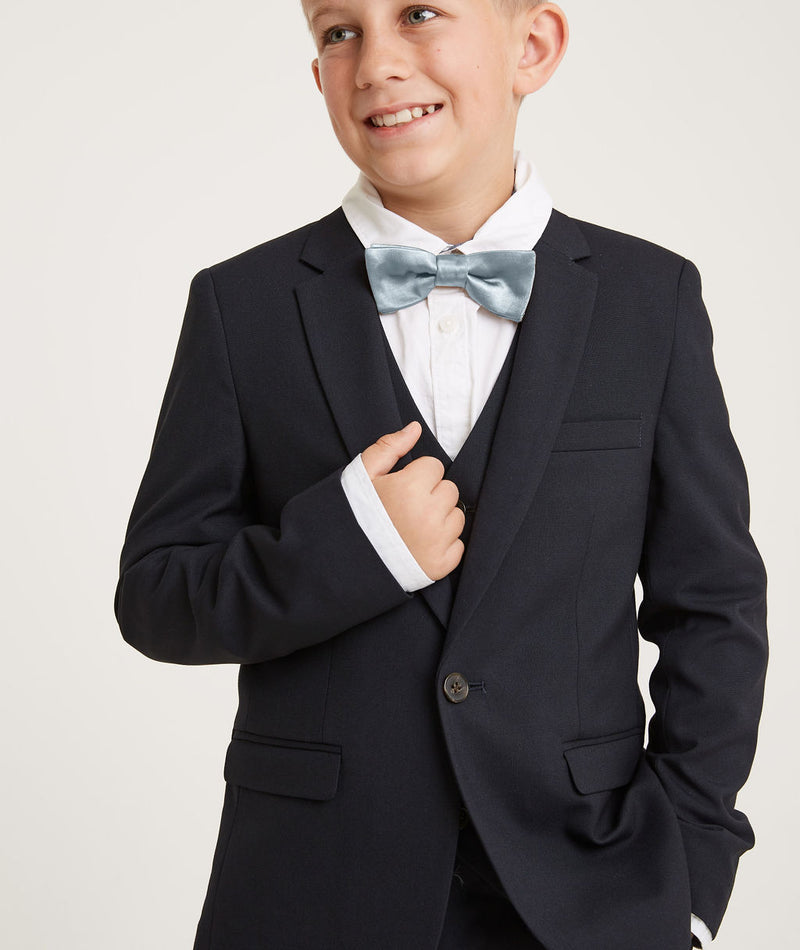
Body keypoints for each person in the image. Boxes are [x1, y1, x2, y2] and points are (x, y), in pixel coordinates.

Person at [114, 2, 768, 948]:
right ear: (317, 76)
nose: (377, 61)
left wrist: (691, 882)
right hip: (309, 893)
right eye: (339, 31)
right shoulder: (240, 305)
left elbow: (713, 605)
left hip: (588, 892)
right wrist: (350, 548)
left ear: (531, 47)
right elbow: (155, 596)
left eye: (419, 12)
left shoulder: (649, 298)